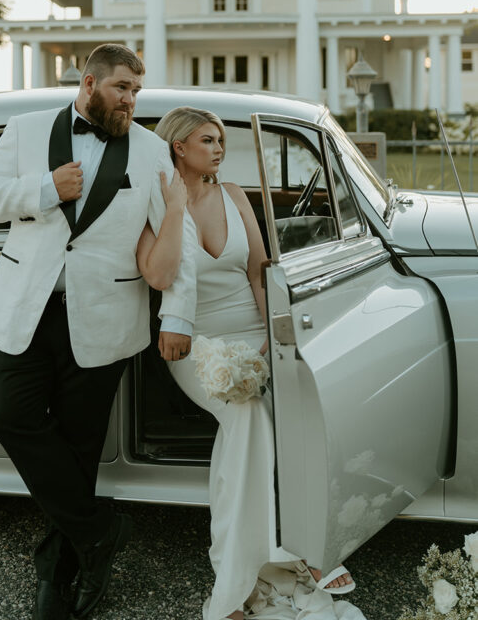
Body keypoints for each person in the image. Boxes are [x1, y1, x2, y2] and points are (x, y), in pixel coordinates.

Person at [0, 45, 197, 620]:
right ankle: (100, 531)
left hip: (104, 319)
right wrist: (45, 189)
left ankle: (60, 571)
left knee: (79, 450)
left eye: (136, 92)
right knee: (8, 416)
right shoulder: (24, 132)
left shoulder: (149, 152)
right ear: (89, 82)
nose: (130, 100)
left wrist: (176, 315)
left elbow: (178, 236)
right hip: (28, 312)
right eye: (121, 88)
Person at [137, 106, 363, 620]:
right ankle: (238, 579)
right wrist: (174, 209)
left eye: (221, 140)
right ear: (178, 147)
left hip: (254, 335)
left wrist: (271, 339)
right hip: (196, 344)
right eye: (208, 139)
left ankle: (287, 550)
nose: (219, 148)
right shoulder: (153, 202)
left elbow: (261, 273)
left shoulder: (235, 194)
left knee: (305, 400)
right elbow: (157, 275)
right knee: (245, 416)